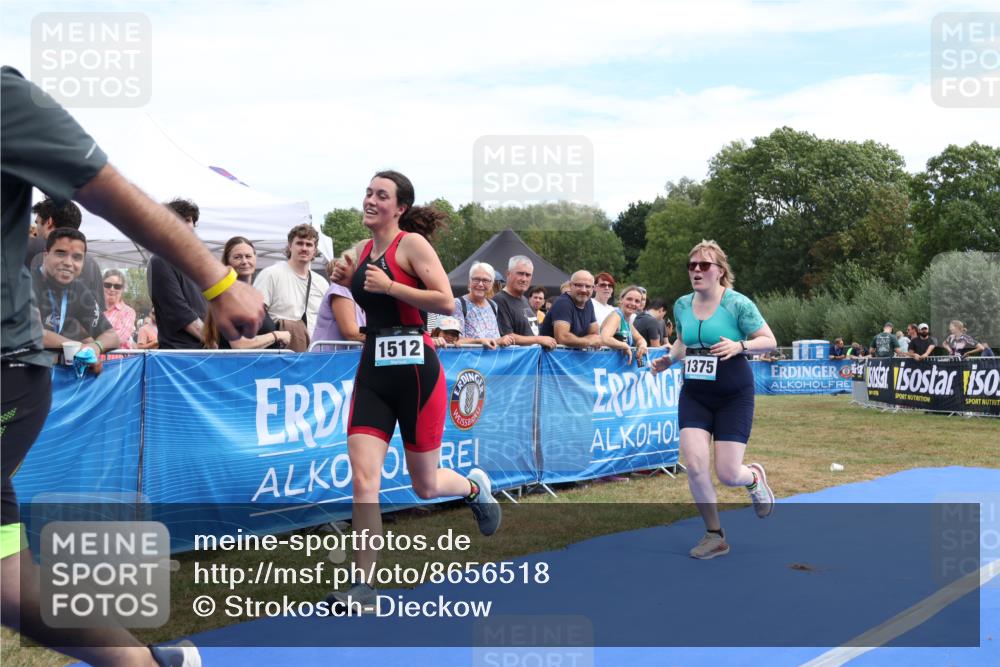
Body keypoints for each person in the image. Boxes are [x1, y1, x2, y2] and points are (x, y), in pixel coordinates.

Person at [2, 64, 263, 667]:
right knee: (11, 589)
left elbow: (110, 190)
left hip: (6, 373)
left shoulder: (5, 99)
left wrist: (220, 279)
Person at [325, 170, 500, 609]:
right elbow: (353, 283)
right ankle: (363, 585)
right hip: (374, 372)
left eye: (380, 195)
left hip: (417, 374)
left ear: (399, 208)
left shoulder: (412, 245)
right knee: (364, 480)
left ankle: (473, 489)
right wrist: (342, 274)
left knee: (424, 485)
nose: (370, 199)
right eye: (367, 191)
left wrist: (392, 286)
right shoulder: (362, 250)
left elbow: (445, 300)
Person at [649, 240, 777, 560]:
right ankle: (715, 535)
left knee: (728, 474)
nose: (696, 270)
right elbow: (683, 342)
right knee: (694, 464)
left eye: (703, 265)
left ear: (720, 271)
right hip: (695, 393)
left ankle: (754, 479)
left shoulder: (737, 304)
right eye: (691, 265)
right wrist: (669, 359)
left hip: (734, 394)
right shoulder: (681, 305)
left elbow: (769, 340)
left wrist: (740, 346)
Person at [32, 228, 120, 356]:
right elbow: (34, 333)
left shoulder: (79, 289)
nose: (68, 263)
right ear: (46, 255)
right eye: (60, 254)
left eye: (77, 257)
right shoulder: (26, 281)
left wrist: (96, 346)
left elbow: (112, 337)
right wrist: (78, 347)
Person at [203, 237, 291, 350]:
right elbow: (240, 345)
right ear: (227, 262)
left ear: (255, 258)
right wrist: (276, 335)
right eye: (237, 257)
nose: (244, 261)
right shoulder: (230, 298)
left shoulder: (249, 297)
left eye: (248, 256)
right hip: (240, 366)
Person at [148, 198, 209, 350]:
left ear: (194, 225)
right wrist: (213, 341)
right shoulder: (160, 260)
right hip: (180, 356)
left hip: (205, 352)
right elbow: (179, 312)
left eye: (187, 220)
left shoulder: (198, 263)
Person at [26, 197, 105, 310]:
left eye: (37, 223)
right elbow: (97, 315)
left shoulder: (26, 248)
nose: (36, 229)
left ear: (49, 222)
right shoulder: (92, 264)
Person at [253, 223, 330, 339]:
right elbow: (255, 312)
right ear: (290, 246)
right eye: (299, 243)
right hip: (281, 352)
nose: (304, 248)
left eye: (309, 245)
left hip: (314, 351)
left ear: (314, 250)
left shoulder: (321, 282)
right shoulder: (271, 274)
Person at [494, 256, 557, 349]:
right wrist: (539, 339)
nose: (524, 279)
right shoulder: (499, 300)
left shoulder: (525, 300)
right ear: (508, 273)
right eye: (520, 273)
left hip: (532, 359)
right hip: (517, 360)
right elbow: (507, 337)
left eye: (528, 275)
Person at [311, 247, 366, 348]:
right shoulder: (340, 288)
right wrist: (382, 336)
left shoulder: (357, 292)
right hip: (329, 359)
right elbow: (352, 333)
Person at [451, 261, 507, 350]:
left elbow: (493, 339)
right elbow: (455, 341)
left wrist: (502, 340)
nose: (480, 284)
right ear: (469, 282)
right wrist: (480, 341)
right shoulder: (458, 304)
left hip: (492, 361)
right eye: (476, 279)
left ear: (492, 284)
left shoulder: (493, 305)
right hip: (470, 361)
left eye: (485, 280)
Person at [539, 271, 601, 349]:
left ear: (593, 288)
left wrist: (587, 340)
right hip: (552, 358)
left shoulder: (588, 302)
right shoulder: (563, 303)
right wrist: (588, 341)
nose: (583, 290)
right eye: (579, 285)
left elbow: (594, 333)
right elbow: (562, 338)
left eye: (588, 286)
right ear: (570, 285)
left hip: (570, 358)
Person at [599, 285, 649, 366]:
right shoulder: (616, 316)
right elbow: (605, 338)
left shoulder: (627, 321)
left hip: (615, 368)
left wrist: (642, 345)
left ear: (640, 305)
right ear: (621, 300)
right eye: (629, 299)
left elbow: (640, 338)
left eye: (637, 301)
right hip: (604, 367)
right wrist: (624, 345)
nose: (633, 303)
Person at [102, 268, 136, 349]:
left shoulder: (128, 312)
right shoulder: (94, 308)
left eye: (117, 286)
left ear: (122, 289)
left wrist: (96, 344)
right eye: (107, 285)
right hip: (93, 359)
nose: (112, 289)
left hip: (118, 360)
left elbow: (120, 337)